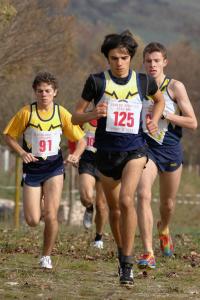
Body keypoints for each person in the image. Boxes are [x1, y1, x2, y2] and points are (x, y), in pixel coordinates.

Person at [71, 31, 165, 285]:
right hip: (106, 154)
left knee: (126, 200)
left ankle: (128, 262)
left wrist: (153, 121)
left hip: (135, 150)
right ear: (107, 58)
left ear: (130, 57)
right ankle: (123, 254)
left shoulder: (143, 81)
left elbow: (159, 101)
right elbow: (74, 117)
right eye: (114, 58)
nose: (119, 62)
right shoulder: (96, 82)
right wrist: (93, 113)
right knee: (113, 210)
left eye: (124, 57)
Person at [3, 72, 85, 269]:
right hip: (32, 169)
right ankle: (39, 200)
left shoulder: (61, 113)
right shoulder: (26, 113)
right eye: (39, 91)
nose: (44, 95)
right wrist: (22, 153)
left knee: (51, 214)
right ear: (35, 92)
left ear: (55, 92)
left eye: (48, 91)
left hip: (54, 167)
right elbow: (8, 136)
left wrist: (76, 155)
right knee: (32, 220)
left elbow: (80, 139)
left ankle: (46, 256)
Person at [137, 42, 198, 269]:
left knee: (168, 204)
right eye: (148, 61)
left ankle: (163, 228)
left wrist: (166, 115)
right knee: (143, 194)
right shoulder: (138, 85)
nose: (152, 65)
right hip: (145, 148)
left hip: (170, 148)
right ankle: (148, 252)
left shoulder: (175, 87)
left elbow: (193, 122)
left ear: (165, 62)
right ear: (143, 63)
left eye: (156, 60)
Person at [74, 119, 108, 249]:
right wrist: (75, 154)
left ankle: (98, 237)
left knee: (101, 205)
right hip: (87, 160)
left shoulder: (111, 118)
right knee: (86, 196)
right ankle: (89, 208)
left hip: (105, 161)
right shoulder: (84, 118)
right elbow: (74, 136)